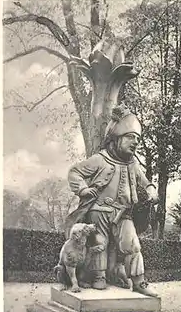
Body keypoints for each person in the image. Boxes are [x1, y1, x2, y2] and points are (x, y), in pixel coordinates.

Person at [65, 104, 158, 296]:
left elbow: (144, 180)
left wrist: (150, 188)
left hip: (124, 213)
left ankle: (139, 282)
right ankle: (99, 277)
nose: (135, 142)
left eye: (137, 138)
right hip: (99, 210)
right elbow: (74, 172)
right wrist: (83, 189)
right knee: (100, 242)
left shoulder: (133, 163)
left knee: (132, 244)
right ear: (115, 138)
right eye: (130, 137)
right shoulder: (100, 159)